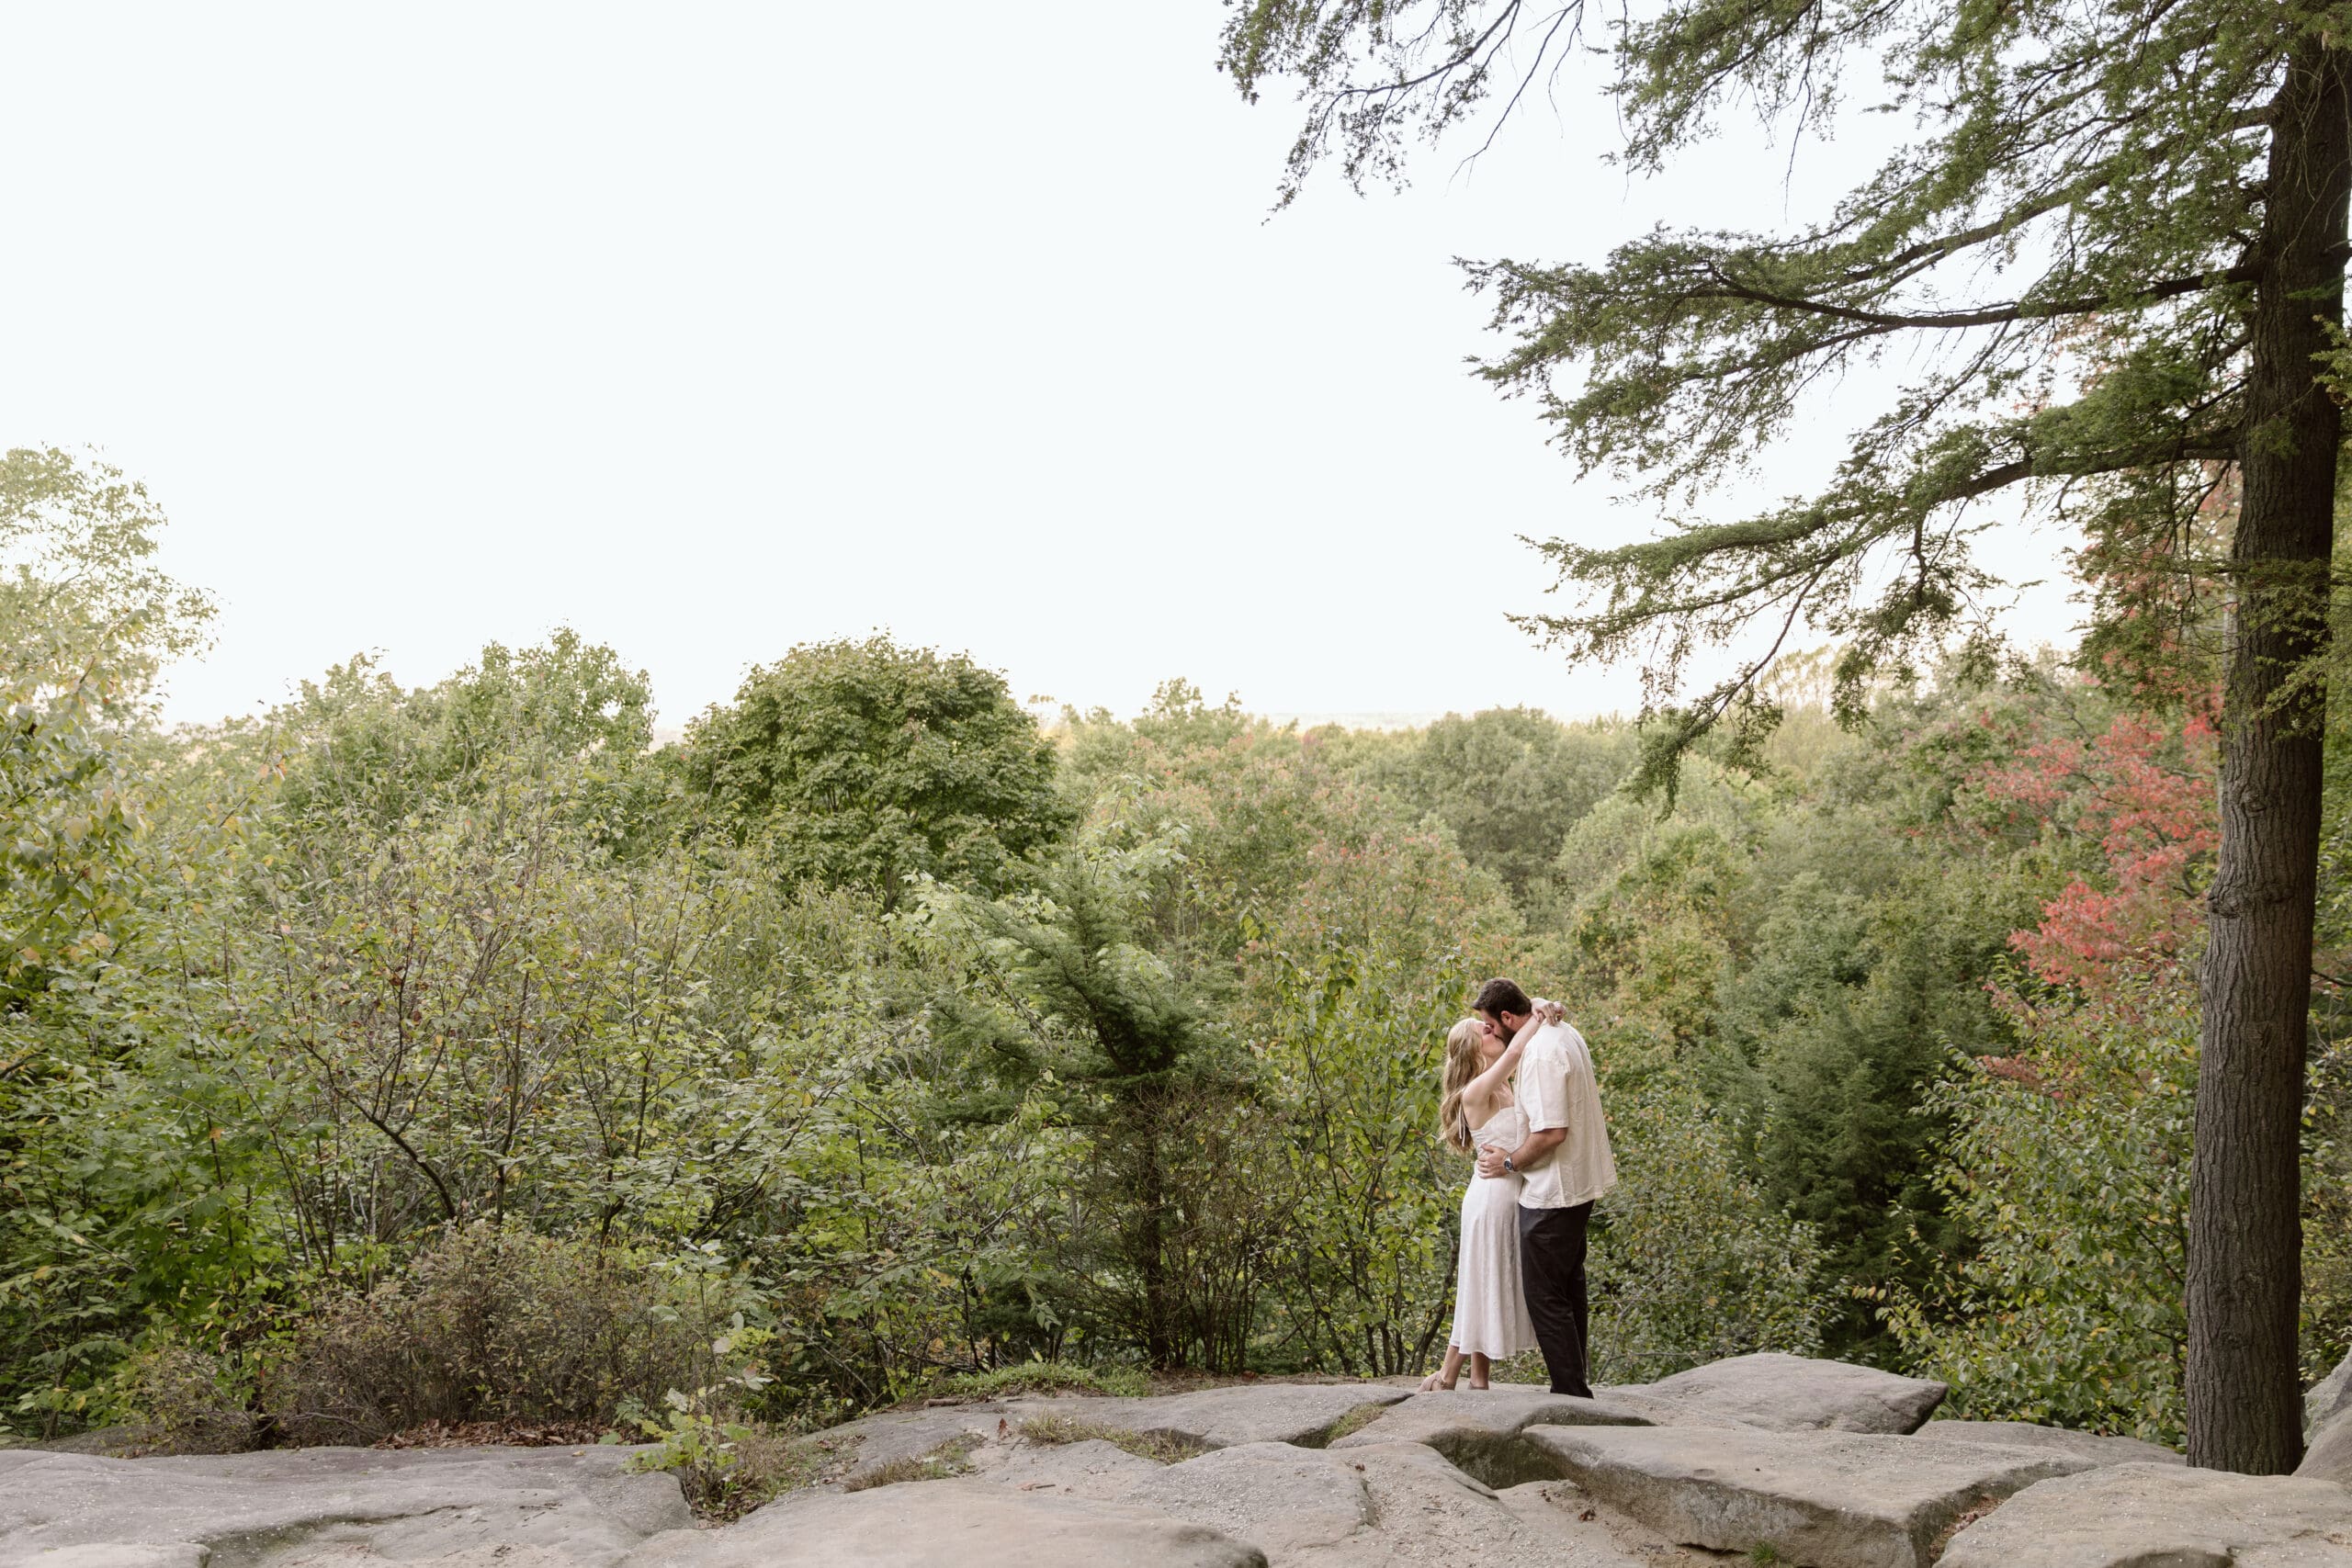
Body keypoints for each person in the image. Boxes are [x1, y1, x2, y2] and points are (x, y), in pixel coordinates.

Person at [1472, 977, 1616, 1398]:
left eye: (1491, 1026)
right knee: (1570, 1288)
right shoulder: (1561, 1031)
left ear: (1506, 1017)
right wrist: (1541, 1002)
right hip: (1577, 1185)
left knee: (1545, 1297)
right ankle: (1575, 1384)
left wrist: (1510, 1161)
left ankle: (1570, 1393)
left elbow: (1552, 1132)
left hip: (1553, 1191)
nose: (1489, 1033)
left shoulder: (1541, 1055)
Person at [1419, 1003, 1557, 1391]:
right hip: (1491, 1198)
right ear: (1472, 1049)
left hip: (1510, 1191)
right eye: (1485, 1031)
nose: (1493, 1030)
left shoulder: (1504, 1085)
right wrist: (1537, 1014)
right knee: (1480, 1285)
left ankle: (1478, 1378)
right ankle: (1449, 1375)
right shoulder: (1476, 1091)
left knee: (1485, 1280)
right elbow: (1515, 1051)